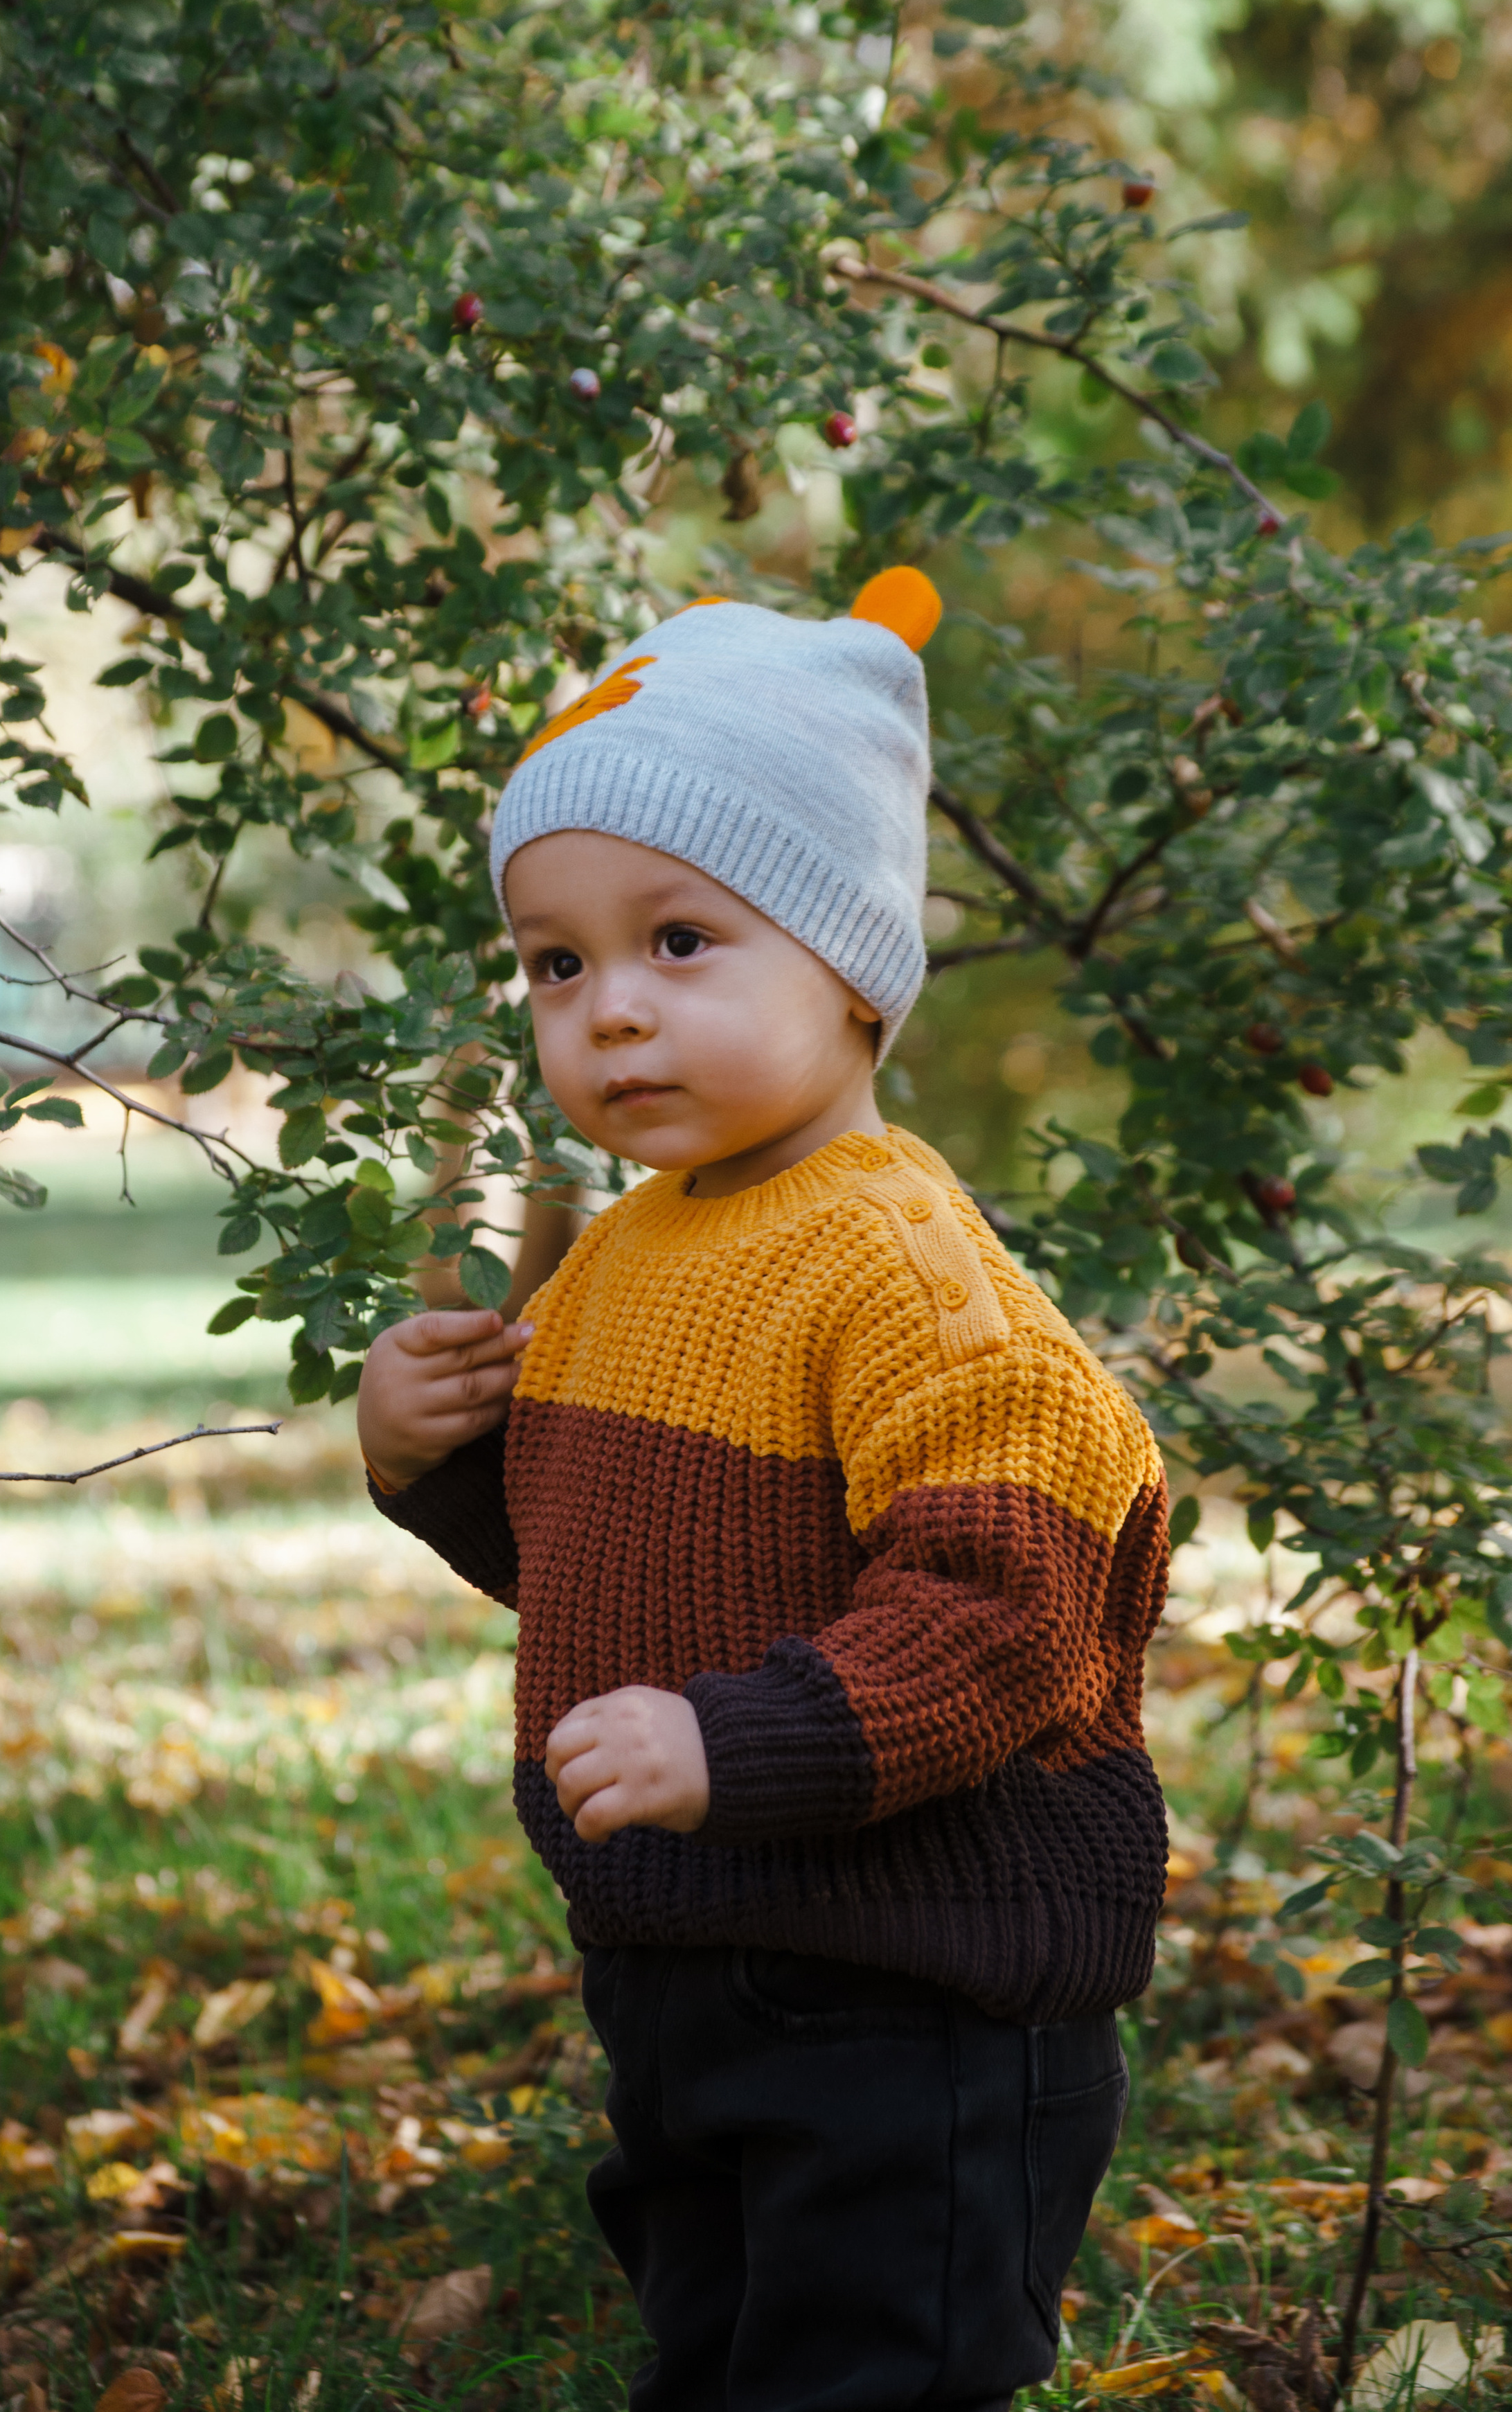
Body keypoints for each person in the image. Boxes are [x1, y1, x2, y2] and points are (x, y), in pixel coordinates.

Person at [357, 568, 1170, 2412]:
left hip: (914, 1993)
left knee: (864, 2369)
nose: (610, 1013)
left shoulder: (898, 1265)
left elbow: (1012, 1603)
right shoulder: (639, 1250)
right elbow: (619, 1559)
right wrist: (435, 1463)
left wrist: (748, 1741)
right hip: (693, 1963)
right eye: (559, 965)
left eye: (679, 943)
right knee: (719, 2350)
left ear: (854, 965)